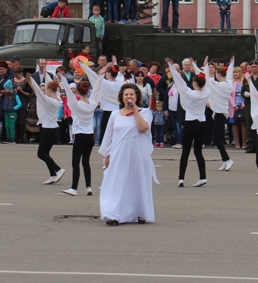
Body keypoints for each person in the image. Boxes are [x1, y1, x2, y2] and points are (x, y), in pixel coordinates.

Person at [98, 82, 157, 225]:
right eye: (126, 95)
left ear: (136, 97)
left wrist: (135, 110)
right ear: (121, 98)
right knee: (116, 183)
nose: (129, 97)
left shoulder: (145, 112)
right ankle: (112, 213)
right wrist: (107, 154)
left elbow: (143, 128)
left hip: (138, 155)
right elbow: (108, 137)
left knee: (138, 183)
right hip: (119, 154)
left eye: (131, 94)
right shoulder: (114, 115)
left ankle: (140, 212)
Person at [166, 58, 209, 188]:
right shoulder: (207, 92)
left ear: (195, 83)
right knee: (198, 152)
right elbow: (204, 78)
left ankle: (181, 179)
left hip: (190, 123)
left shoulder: (190, 94)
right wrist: (202, 66)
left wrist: (171, 67)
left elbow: (180, 82)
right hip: (202, 123)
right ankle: (202, 177)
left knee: (185, 152)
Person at [59, 77, 95, 196]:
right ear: (88, 91)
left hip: (80, 136)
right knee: (86, 161)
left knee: (75, 162)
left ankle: (74, 188)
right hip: (90, 136)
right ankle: (88, 187)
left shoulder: (77, 104)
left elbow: (69, 94)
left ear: (78, 91)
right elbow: (97, 89)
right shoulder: (93, 103)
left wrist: (62, 79)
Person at [27, 76, 66, 185]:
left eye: (46, 90)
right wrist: (31, 81)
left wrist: (32, 80)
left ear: (49, 90)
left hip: (50, 130)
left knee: (41, 154)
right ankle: (53, 174)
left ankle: (58, 169)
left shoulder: (50, 101)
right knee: (46, 153)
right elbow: (38, 92)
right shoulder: (58, 99)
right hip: (52, 129)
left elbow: (39, 93)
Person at [204, 59, 234, 171]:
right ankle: (225, 161)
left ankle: (228, 160)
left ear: (218, 74)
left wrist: (204, 65)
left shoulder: (219, 85)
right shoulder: (229, 84)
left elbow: (206, 77)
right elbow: (230, 73)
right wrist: (231, 64)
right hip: (220, 113)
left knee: (216, 140)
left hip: (220, 114)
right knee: (218, 139)